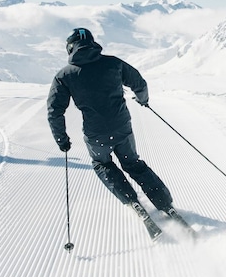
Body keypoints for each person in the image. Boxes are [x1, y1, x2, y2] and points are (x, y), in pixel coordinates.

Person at [47, 27, 181, 227]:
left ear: (70, 48)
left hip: (96, 134)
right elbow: (139, 83)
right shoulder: (113, 63)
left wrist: (62, 140)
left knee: (103, 165)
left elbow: (54, 111)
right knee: (133, 164)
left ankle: (132, 202)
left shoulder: (64, 76)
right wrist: (143, 100)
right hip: (121, 127)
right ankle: (165, 204)